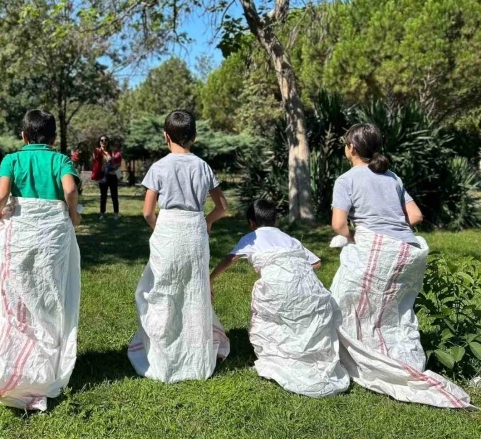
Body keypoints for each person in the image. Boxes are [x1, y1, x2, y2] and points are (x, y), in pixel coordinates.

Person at [329, 123, 471, 408]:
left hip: (378, 251)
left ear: (352, 148)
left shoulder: (347, 179)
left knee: (340, 304)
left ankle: (360, 360)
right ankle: (397, 355)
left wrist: (357, 237)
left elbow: (339, 225)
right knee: (394, 311)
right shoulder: (392, 177)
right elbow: (416, 216)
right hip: (409, 252)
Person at [0, 109, 82, 411]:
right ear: (54, 137)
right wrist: (73, 214)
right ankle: (47, 355)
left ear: (23, 135)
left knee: (16, 292)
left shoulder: (13, 160)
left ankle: (16, 353)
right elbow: (70, 189)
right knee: (50, 292)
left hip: (21, 234)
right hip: (51, 237)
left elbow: (1, 194)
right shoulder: (60, 160)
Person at [128, 110, 230, 383]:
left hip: (169, 229)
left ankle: (164, 353)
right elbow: (222, 207)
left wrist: (160, 228)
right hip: (195, 229)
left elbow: (148, 212)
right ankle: (196, 356)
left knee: (162, 289)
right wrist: (207, 221)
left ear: (165, 136)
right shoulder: (203, 167)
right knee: (194, 290)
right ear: (194, 136)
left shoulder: (159, 167)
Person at [210, 199, 349, 398]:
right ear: (275, 220)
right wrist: (294, 269)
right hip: (309, 287)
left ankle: (280, 356)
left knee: (271, 316)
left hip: (279, 287)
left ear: (252, 222)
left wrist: (210, 279)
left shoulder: (252, 237)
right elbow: (316, 263)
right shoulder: (289, 239)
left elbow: (230, 259)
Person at [91, 135, 120, 220]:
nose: (104, 142)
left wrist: (119, 176)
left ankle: (116, 214)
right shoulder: (97, 152)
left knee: (114, 196)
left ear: (108, 142)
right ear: (99, 142)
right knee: (103, 196)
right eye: (101, 140)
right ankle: (102, 214)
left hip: (113, 176)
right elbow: (95, 161)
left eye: (105, 140)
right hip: (103, 176)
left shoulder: (112, 152)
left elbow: (117, 164)